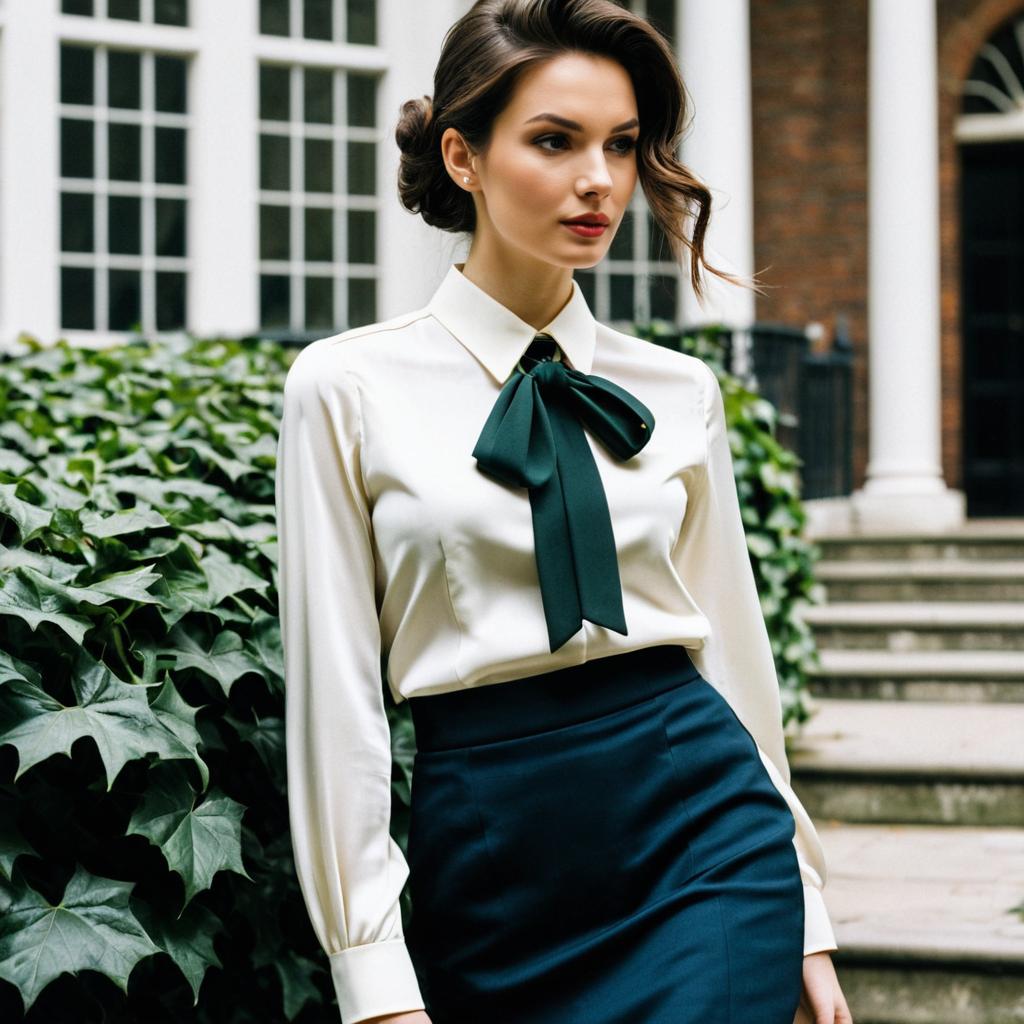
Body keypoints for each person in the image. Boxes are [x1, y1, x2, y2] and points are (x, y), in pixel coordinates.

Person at [274, 1, 854, 1022]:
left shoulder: (679, 388)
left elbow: (734, 658)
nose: (600, 180)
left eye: (621, 146)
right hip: (496, 856)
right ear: (463, 156)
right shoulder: (344, 387)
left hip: (700, 828)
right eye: (555, 141)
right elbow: (337, 704)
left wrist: (803, 904)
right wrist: (372, 973)